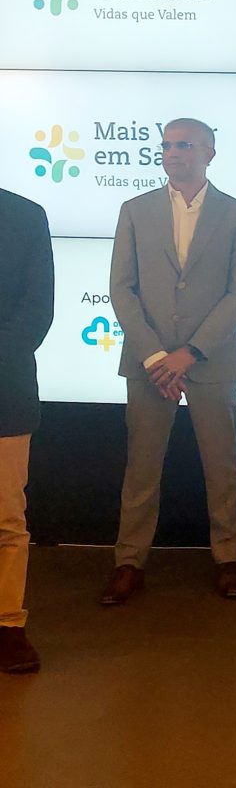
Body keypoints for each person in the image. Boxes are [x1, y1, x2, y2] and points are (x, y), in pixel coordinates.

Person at [101, 118, 236, 605]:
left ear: (209, 153)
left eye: (184, 144)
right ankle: (129, 562)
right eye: (166, 144)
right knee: (141, 468)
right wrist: (155, 356)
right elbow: (121, 288)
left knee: (222, 467)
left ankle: (228, 558)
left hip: (211, 361)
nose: (172, 152)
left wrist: (189, 353)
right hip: (148, 364)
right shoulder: (134, 209)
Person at [0, 188, 54, 673]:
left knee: (6, 520)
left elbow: (37, 310)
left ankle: (8, 625)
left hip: (6, 390)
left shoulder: (24, 215)